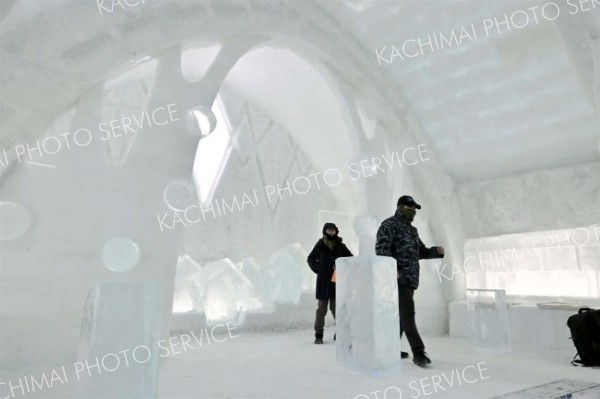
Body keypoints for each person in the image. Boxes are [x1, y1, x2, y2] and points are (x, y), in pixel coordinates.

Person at [375, 195, 444, 367]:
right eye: (409, 207)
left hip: (411, 278)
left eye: (414, 208)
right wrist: (393, 270)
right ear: (400, 207)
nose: (412, 211)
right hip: (396, 279)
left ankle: (389, 349)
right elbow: (381, 250)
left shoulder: (412, 231)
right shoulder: (389, 225)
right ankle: (419, 352)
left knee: (401, 316)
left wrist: (436, 252)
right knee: (407, 313)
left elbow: (420, 252)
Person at [307, 222, 353, 344]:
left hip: (336, 282)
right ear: (325, 231)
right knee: (321, 309)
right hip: (323, 282)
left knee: (337, 309)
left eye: (333, 230)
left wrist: (342, 269)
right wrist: (319, 269)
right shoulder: (320, 244)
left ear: (336, 231)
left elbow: (350, 258)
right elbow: (310, 258)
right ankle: (319, 335)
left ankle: (340, 332)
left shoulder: (340, 245)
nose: (331, 232)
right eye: (329, 230)